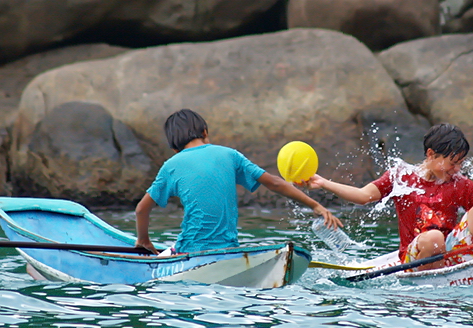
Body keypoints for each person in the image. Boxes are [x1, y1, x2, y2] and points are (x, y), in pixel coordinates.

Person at [304, 123, 473, 270]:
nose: (457, 169)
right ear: (431, 154)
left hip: (450, 254)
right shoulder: (400, 176)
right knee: (433, 238)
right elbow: (364, 196)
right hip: (416, 258)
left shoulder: (458, 183)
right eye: (452, 163)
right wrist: (324, 182)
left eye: (460, 163)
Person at [135, 109, 341, 254]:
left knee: (169, 252)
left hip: (191, 250)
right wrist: (316, 205)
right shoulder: (229, 155)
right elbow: (275, 183)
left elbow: (141, 210)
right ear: (205, 132)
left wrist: (143, 240)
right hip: (228, 250)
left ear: (174, 148)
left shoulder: (171, 165)